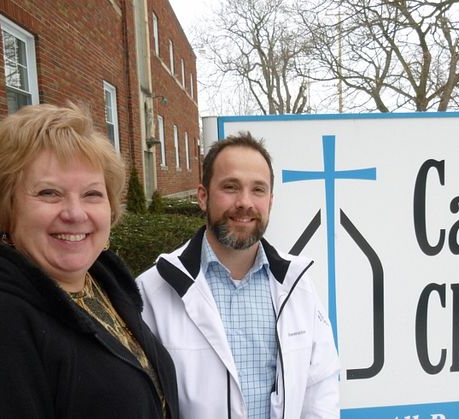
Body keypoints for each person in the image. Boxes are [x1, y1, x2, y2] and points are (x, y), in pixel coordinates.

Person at [0, 103, 179, 418]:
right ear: (9, 205)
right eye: (49, 193)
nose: (75, 213)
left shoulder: (101, 285)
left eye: (92, 194)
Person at [136, 132, 340, 419]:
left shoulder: (297, 286)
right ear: (203, 197)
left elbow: (320, 388)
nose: (245, 202)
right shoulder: (153, 291)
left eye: (258, 190)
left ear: (270, 200)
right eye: (230, 187)